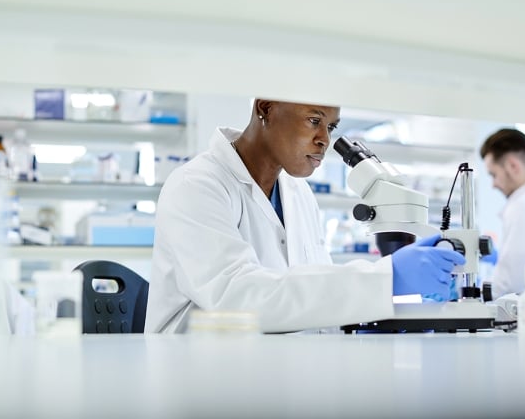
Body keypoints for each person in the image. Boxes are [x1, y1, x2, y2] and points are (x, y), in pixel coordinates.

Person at [145, 99, 465, 334]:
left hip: (273, 372)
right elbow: (236, 298)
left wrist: (367, 316)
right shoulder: (197, 185)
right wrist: (385, 279)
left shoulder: (298, 194)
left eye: (331, 127)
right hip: (195, 376)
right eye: (314, 120)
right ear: (266, 109)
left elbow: (311, 292)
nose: (324, 139)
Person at [479, 128, 525, 299]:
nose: (493, 184)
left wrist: (478, 300)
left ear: (512, 166)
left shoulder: (523, 206)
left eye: (494, 174)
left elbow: (511, 282)